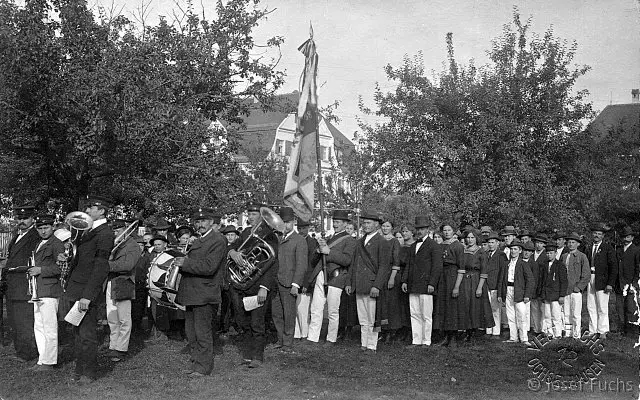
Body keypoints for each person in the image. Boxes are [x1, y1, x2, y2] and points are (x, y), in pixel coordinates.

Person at [65, 195, 114, 383]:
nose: (86, 211)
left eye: (90, 208)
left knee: (87, 335)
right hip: (77, 288)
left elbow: (100, 267)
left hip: (86, 291)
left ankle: (89, 372)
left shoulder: (104, 233)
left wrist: (87, 296)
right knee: (78, 334)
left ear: (101, 211)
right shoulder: (89, 231)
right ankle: (80, 369)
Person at [173, 207, 226, 377]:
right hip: (192, 293)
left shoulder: (218, 240)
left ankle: (203, 367)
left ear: (211, 222)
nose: (200, 224)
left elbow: (209, 267)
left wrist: (184, 264)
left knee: (202, 333)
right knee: (192, 332)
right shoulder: (198, 240)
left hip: (205, 293)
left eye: (203, 221)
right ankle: (196, 362)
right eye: (197, 221)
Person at [228, 202, 279, 368]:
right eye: (249, 214)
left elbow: (272, 263)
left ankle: (257, 356)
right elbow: (231, 247)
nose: (250, 217)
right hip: (242, 283)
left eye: (254, 214)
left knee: (257, 322)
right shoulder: (245, 232)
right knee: (243, 321)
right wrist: (233, 252)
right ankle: (248, 355)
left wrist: (265, 287)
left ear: (262, 217)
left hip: (258, 285)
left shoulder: (271, 236)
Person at [345, 211, 392, 353]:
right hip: (359, 283)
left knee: (372, 317)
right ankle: (363, 343)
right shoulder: (359, 241)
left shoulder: (382, 242)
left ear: (377, 225)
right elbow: (353, 264)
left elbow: (384, 266)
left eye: (369, 223)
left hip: (372, 284)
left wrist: (377, 285)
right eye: (364, 223)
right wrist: (349, 282)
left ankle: (372, 345)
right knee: (363, 317)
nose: (366, 225)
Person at [307, 210, 356, 346]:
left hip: (336, 275)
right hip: (322, 274)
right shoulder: (328, 238)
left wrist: (329, 251)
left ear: (345, 224)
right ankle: (313, 336)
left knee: (333, 310)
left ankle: (331, 338)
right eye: (334, 221)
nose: (335, 224)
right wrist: (319, 249)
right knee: (316, 307)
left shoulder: (350, 241)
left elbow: (347, 260)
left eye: (338, 222)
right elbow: (314, 259)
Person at [3, 205, 40, 361]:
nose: (21, 221)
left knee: (23, 321)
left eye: (25, 218)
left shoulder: (35, 236)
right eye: (19, 218)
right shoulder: (16, 236)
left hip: (23, 283)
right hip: (12, 284)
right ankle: (21, 350)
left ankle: (27, 353)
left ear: (32, 219)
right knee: (15, 320)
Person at [29, 214, 65, 370]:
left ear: (53, 227)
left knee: (49, 327)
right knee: (39, 326)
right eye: (40, 228)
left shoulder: (57, 244)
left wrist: (40, 270)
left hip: (49, 289)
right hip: (38, 289)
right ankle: (42, 358)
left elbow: (60, 268)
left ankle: (49, 361)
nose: (43, 231)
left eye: (46, 228)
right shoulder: (38, 243)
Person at [401, 216, 443, 348]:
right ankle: (416, 340)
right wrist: (404, 281)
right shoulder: (413, 245)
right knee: (414, 313)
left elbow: (437, 267)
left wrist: (432, 283)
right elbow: (409, 265)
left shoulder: (434, 246)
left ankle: (426, 340)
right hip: (413, 284)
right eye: (418, 229)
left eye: (422, 229)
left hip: (426, 284)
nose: (420, 231)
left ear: (428, 230)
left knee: (426, 314)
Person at [271, 207, 307, 353]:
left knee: (289, 314)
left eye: (287, 222)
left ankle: (287, 344)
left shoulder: (299, 240)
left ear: (294, 222)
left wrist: (295, 284)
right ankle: (280, 340)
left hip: (289, 283)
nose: (285, 225)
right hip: (276, 281)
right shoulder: (278, 238)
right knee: (276, 313)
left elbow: (301, 265)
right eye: (282, 222)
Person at [106, 219, 140, 362]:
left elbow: (127, 265)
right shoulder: (115, 245)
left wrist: (106, 265)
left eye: (118, 231)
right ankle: (113, 345)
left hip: (124, 283)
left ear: (126, 230)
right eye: (113, 231)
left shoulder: (133, 246)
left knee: (124, 319)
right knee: (111, 317)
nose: (116, 234)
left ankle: (121, 348)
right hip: (111, 283)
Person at [457, 228, 494, 343]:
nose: (470, 240)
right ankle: (467, 330)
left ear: (476, 238)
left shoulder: (481, 252)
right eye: (468, 237)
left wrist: (479, 287)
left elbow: (484, 271)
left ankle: (473, 331)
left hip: (477, 280)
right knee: (466, 305)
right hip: (465, 280)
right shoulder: (463, 250)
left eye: (472, 237)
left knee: (475, 306)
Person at [498, 239, 534, 345]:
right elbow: (501, 280)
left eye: (515, 249)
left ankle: (524, 338)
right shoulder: (506, 264)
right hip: (508, 290)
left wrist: (527, 295)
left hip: (519, 291)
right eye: (512, 249)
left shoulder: (523, 264)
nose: (513, 251)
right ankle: (513, 337)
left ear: (520, 251)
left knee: (521, 315)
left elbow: (530, 280)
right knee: (510, 315)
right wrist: (500, 294)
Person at [434, 223, 465, 346]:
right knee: (443, 307)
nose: (446, 232)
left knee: (452, 307)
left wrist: (456, 286)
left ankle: (453, 337)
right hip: (442, 277)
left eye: (449, 230)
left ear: (454, 231)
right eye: (444, 230)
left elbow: (461, 267)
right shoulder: (440, 246)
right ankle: (445, 336)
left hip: (453, 276)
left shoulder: (458, 246)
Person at [585, 223, 617, 338]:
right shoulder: (588, 247)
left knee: (602, 306)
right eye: (595, 233)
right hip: (590, 277)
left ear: (603, 236)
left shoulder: (608, 248)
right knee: (591, 305)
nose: (596, 236)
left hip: (603, 280)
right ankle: (593, 330)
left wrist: (610, 283)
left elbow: (613, 267)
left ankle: (602, 330)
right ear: (592, 234)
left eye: (599, 234)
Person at [561, 232, 590, 338]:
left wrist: (579, 287)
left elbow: (586, 274)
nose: (571, 244)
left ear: (578, 244)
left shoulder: (582, 256)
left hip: (576, 289)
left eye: (573, 242)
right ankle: (568, 332)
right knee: (566, 312)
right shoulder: (564, 256)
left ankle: (576, 334)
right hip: (565, 289)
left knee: (576, 313)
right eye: (569, 242)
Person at [379, 219, 402, 343]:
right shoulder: (380, 240)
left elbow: (396, 261)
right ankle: (382, 331)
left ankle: (391, 332)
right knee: (382, 304)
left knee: (391, 304)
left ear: (392, 228)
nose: (385, 228)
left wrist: (392, 278)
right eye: (383, 226)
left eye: (388, 226)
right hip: (381, 275)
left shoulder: (395, 242)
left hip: (391, 275)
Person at [294, 218, 316, 341]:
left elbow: (310, 265)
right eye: (299, 228)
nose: (301, 230)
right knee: (295, 308)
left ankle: (304, 332)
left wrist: (306, 283)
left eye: (303, 228)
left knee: (303, 309)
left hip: (305, 280)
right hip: (295, 279)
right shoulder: (296, 240)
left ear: (308, 228)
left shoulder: (312, 242)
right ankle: (296, 333)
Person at [539, 243, 567, 339]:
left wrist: (562, 295)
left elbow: (564, 282)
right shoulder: (544, 265)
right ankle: (549, 333)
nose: (549, 255)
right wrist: (542, 294)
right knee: (547, 315)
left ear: (555, 253)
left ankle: (558, 333)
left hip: (555, 294)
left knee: (556, 315)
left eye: (551, 253)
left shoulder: (560, 265)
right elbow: (542, 280)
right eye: (547, 253)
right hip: (546, 294)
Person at [615, 226, 640, 334]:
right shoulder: (619, 250)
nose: (625, 239)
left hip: (630, 283)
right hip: (620, 283)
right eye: (624, 237)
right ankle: (622, 328)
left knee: (630, 307)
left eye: (628, 237)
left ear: (632, 238)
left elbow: (638, 268)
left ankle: (632, 330)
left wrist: (634, 284)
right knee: (620, 307)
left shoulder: (636, 250)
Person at [485, 231, 507, 338]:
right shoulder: (486, 254)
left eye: (493, 242)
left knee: (495, 309)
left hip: (495, 286)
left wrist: (499, 289)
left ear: (497, 243)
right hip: (487, 286)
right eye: (489, 242)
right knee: (487, 309)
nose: (490, 244)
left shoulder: (501, 255)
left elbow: (502, 273)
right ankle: (488, 330)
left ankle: (496, 331)